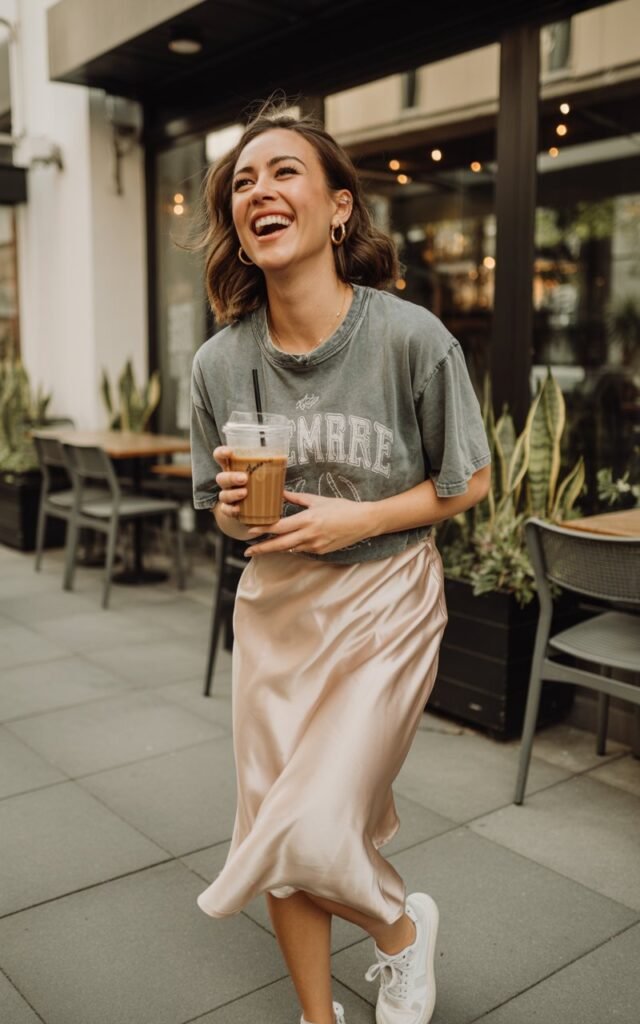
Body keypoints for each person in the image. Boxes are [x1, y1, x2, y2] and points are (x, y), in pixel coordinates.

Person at [190, 100, 492, 1024]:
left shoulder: (409, 337)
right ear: (237, 226)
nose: (259, 191)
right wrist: (246, 521)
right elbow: (228, 522)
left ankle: (400, 930)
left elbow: (469, 480)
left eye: (284, 172)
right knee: (274, 830)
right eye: (243, 181)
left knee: (315, 825)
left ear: (338, 209)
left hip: (387, 600)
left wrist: (353, 522)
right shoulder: (216, 364)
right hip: (276, 613)